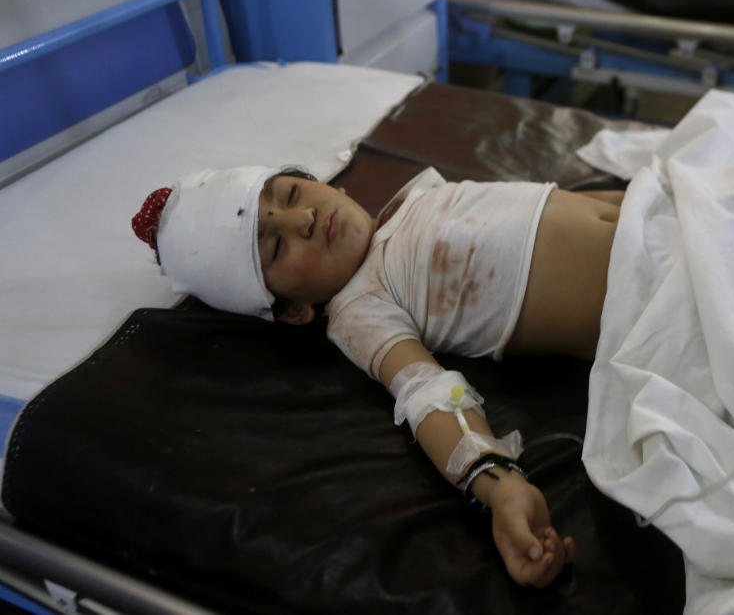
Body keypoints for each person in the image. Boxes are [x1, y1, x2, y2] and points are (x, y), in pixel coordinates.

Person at [132, 164, 625, 588]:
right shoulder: (360, 307)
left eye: (291, 194)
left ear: (335, 188)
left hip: (660, 217)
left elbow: (557, 204)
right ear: (295, 312)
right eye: (276, 248)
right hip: (648, 300)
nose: (303, 219)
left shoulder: (413, 200)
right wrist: (498, 485)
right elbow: (426, 392)